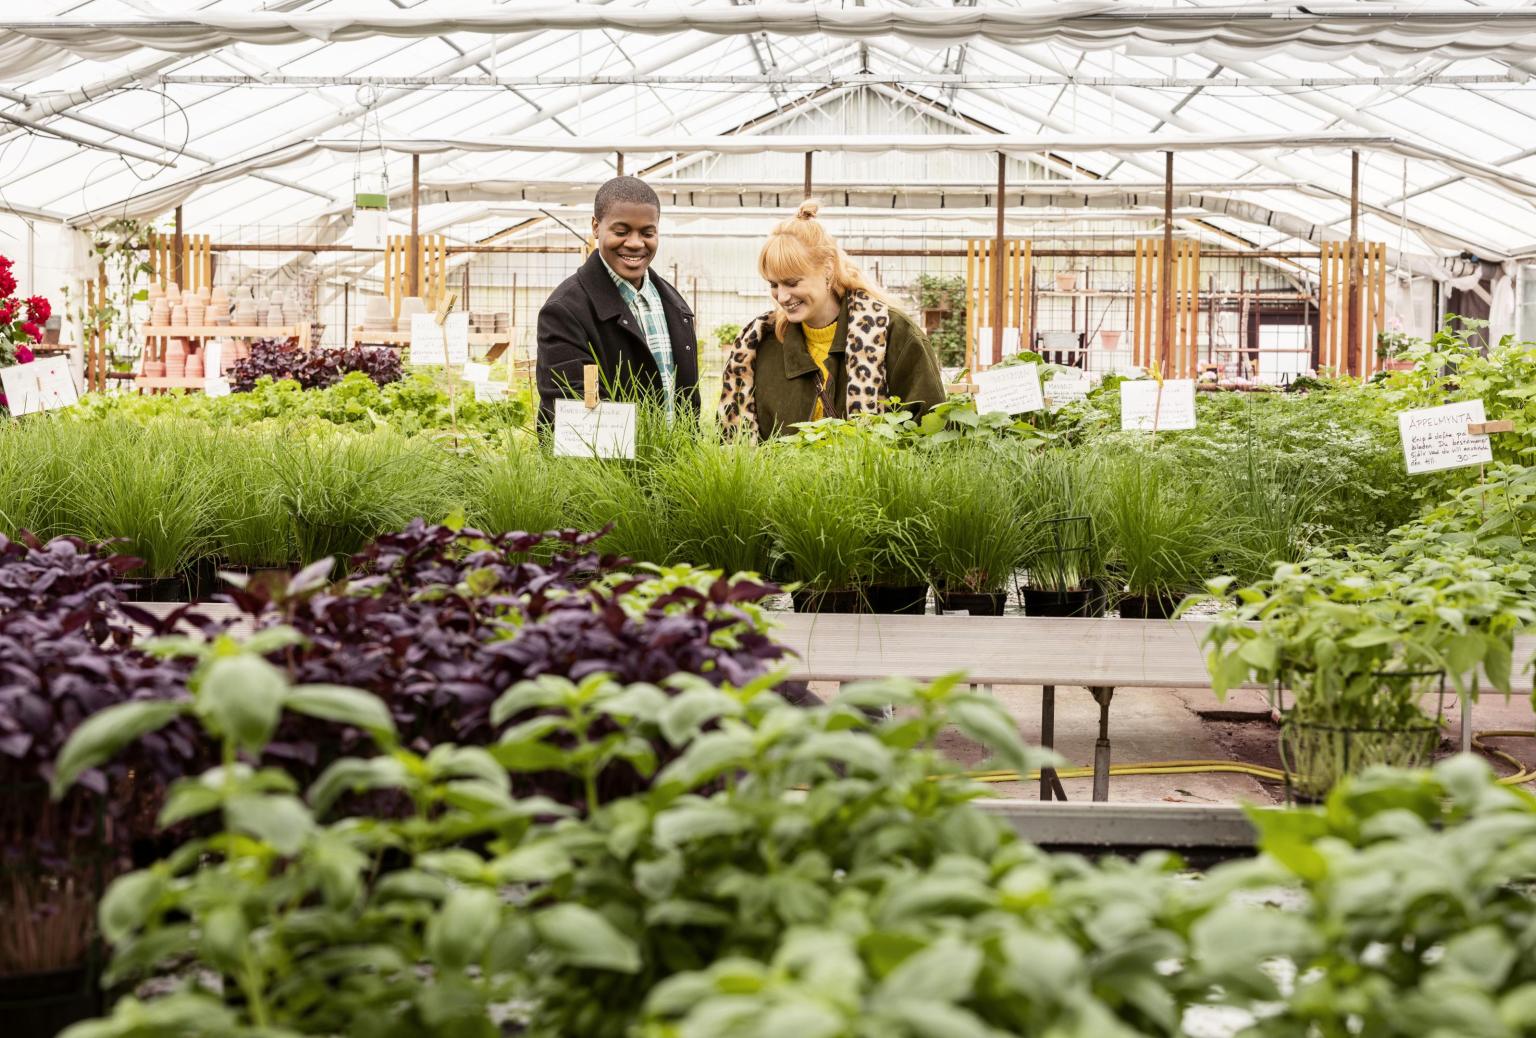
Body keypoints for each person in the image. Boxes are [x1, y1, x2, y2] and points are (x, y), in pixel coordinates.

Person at [719, 200, 944, 440]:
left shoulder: (894, 335)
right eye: (774, 284)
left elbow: (934, 435)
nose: (782, 297)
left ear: (827, 269)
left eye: (792, 282)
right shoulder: (759, 345)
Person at [536, 176, 698, 427]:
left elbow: (686, 402)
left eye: (647, 232)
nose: (635, 243)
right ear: (596, 227)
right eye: (621, 232)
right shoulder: (566, 310)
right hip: (607, 465)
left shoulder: (673, 304)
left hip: (674, 464)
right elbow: (568, 413)